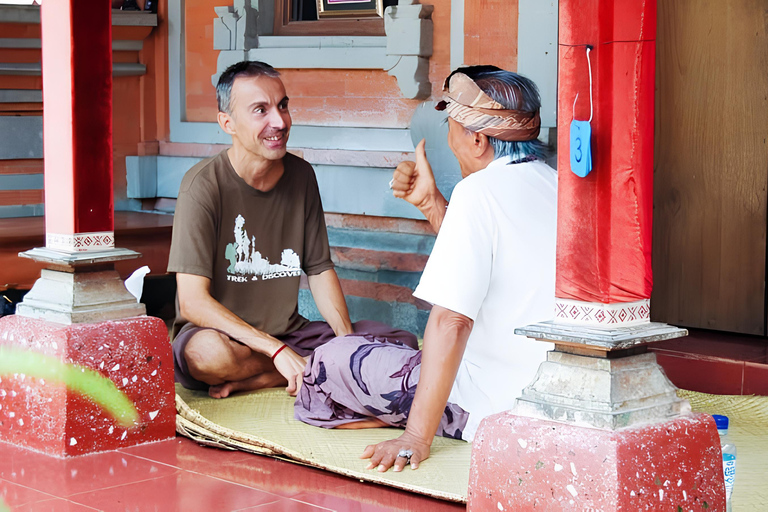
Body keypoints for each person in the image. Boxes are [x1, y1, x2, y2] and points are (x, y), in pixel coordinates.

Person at [294, 65, 557, 472]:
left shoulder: (478, 192)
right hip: (552, 396)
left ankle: (412, 420)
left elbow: (450, 321)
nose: (448, 139)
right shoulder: (555, 185)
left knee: (330, 357)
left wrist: (415, 436)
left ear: (477, 139)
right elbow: (488, 263)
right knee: (393, 343)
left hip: (487, 401)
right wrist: (431, 202)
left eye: (450, 125)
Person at [168, 61, 417, 399]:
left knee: (400, 344)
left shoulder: (301, 176)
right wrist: (275, 350)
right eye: (260, 110)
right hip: (223, 337)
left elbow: (319, 269)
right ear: (228, 123)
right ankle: (302, 368)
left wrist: (346, 346)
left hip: (290, 334)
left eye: (282, 105)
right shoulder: (201, 186)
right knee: (207, 355)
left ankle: (263, 378)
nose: (280, 121)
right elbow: (194, 302)